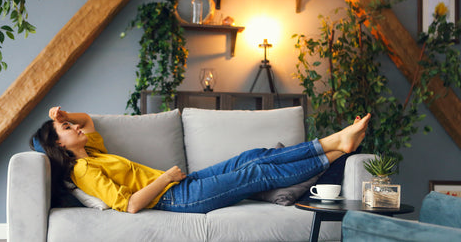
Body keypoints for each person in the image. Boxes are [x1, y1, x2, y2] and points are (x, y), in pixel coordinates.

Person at [30, 106, 371, 214]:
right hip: (178, 195)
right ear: (58, 143)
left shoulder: (94, 152)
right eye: (65, 127)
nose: (75, 126)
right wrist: (164, 179)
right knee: (255, 173)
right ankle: (338, 147)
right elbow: (130, 205)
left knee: (252, 156)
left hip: (183, 184)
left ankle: (336, 143)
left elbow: (87, 120)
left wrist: (62, 112)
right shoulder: (84, 170)